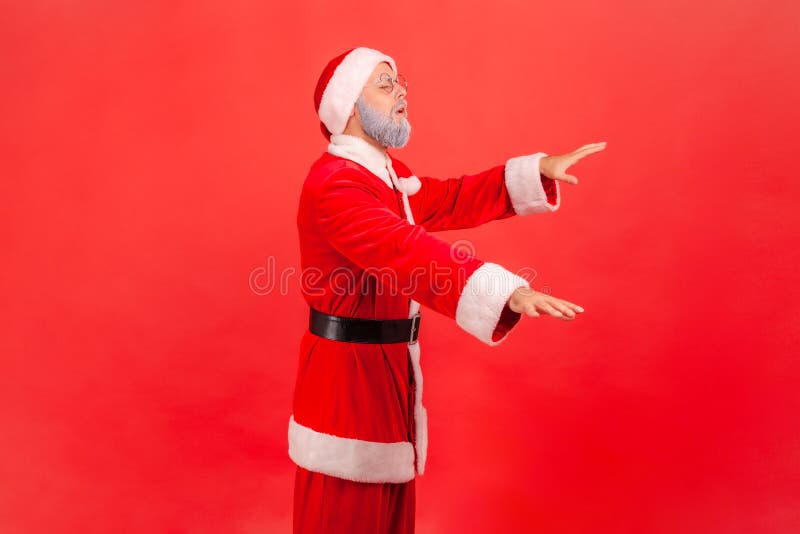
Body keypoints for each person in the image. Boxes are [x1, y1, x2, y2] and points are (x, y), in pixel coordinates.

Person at [289, 46, 606, 533]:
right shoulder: (336, 185)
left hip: (388, 378)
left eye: (400, 82)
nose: (402, 91)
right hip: (344, 388)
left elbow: (449, 198)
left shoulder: (389, 179)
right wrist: (505, 292)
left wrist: (534, 173)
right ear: (351, 105)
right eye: (385, 83)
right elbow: (405, 250)